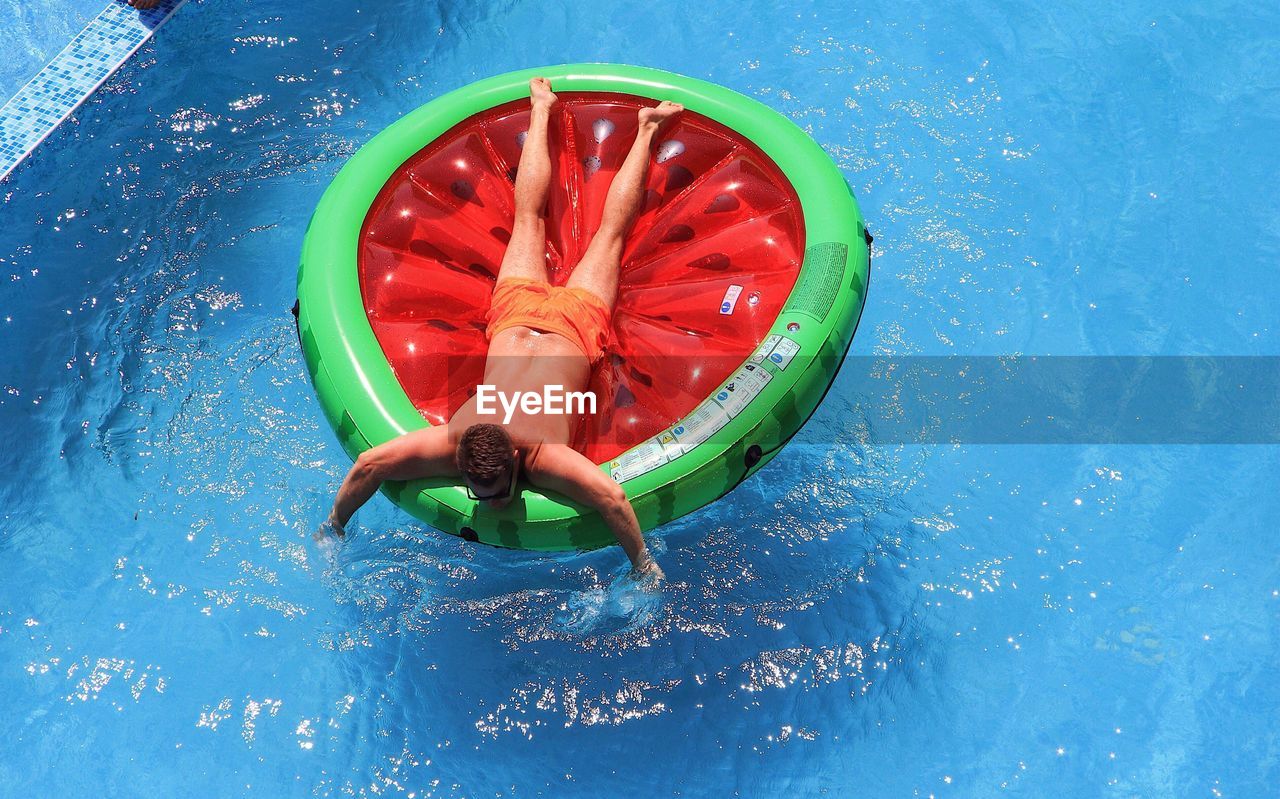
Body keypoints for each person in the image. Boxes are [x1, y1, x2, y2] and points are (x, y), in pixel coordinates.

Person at [323, 78, 682, 580]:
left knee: (595, 233)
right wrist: (334, 525)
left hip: (572, 326)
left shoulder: (540, 452)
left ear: (515, 458)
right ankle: (548, 110)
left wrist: (643, 564)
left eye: (495, 491)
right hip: (518, 317)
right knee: (534, 223)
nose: (491, 503)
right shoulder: (458, 443)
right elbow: (367, 465)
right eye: (479, 490)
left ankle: (640, 128)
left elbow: (612, 496)